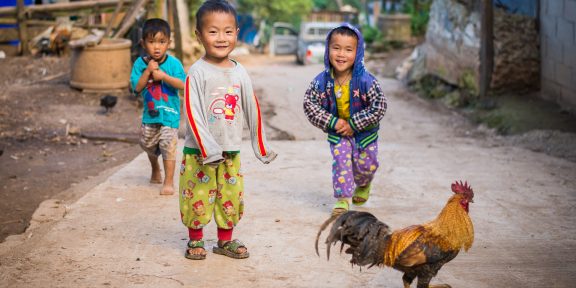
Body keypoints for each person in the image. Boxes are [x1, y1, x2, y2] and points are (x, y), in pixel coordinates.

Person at [180, 0, 277, 260]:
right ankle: (195, 240)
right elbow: (193, 113)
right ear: (199, 35)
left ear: (235, 33)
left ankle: (225, 242)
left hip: (231, 150)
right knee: (197, 197)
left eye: (228, 31)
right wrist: (207, 148)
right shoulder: (197, 72)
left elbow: (252, 107)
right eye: (213, 32)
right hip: (199, 152)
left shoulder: (240, 71)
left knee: (230, 197)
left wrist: (261, 146)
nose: (221, 38)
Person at [303, 23, 387, 215]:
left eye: (348, 50)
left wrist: (354, 124)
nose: (341, 54)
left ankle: (364, 184)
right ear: (328, 50)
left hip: (365, 133)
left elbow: (379, 107)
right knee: (341, 162)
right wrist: (333, 122)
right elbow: (309, 104)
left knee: (367, 165)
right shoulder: (321, 81)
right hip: (338, 132)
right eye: (336, 48)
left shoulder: (367, 81)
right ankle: (342, 199)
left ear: (357, 53)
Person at [130, 18, 186, 195]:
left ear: (168, 43)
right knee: (147, 143)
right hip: (150, 115)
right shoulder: (140, 64)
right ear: (143, 43)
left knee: (168, 145)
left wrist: (163, 77)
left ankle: (168, 182)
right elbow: (136, 88)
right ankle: (155, 168)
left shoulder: (174, 64)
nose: (156, 47)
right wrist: (148, 71)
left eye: (161, 42)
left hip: (170, 115)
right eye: (151, 42)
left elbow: (183, 84)